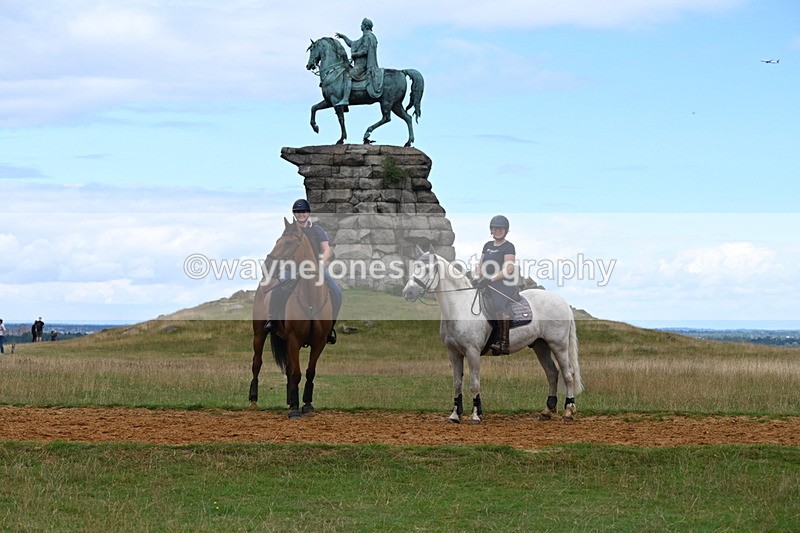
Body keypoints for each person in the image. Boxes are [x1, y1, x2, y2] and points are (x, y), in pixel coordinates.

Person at [265, 199, 343, 344]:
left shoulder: (317, 230)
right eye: (298, 212)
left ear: (308, 213)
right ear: (294, 214)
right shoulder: (289, 230)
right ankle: (272, 319)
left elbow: (327, 249)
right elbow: (283, 247)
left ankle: (329, 327)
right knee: (276, 289)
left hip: (315, 268)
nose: (301, 214)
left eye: (303, 211)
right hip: (293, 268)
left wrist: (321, 263)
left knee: (337, 293)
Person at [472, 215, 517, 355]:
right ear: (491, 230)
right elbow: (480, 264)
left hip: (503, 284)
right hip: (486, 284)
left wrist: (490, 279)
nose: (498, 230)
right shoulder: (487, 246)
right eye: (495, 228)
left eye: (501, 228)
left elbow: (508, 269)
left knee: (498, 304)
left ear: (506, 230)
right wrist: (476, 277)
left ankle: (503, 343)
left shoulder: (509, 246)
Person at [334, 17, 383, 106]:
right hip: (360, 65)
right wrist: (343, 37)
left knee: (348, 76)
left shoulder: (368, 36)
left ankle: (345, 99)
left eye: (361, 24)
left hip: (362, 66)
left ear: (365, 26)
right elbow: (352, 43)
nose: (360, 26)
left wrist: (354, 55)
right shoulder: (366, 36)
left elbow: (365, 51)